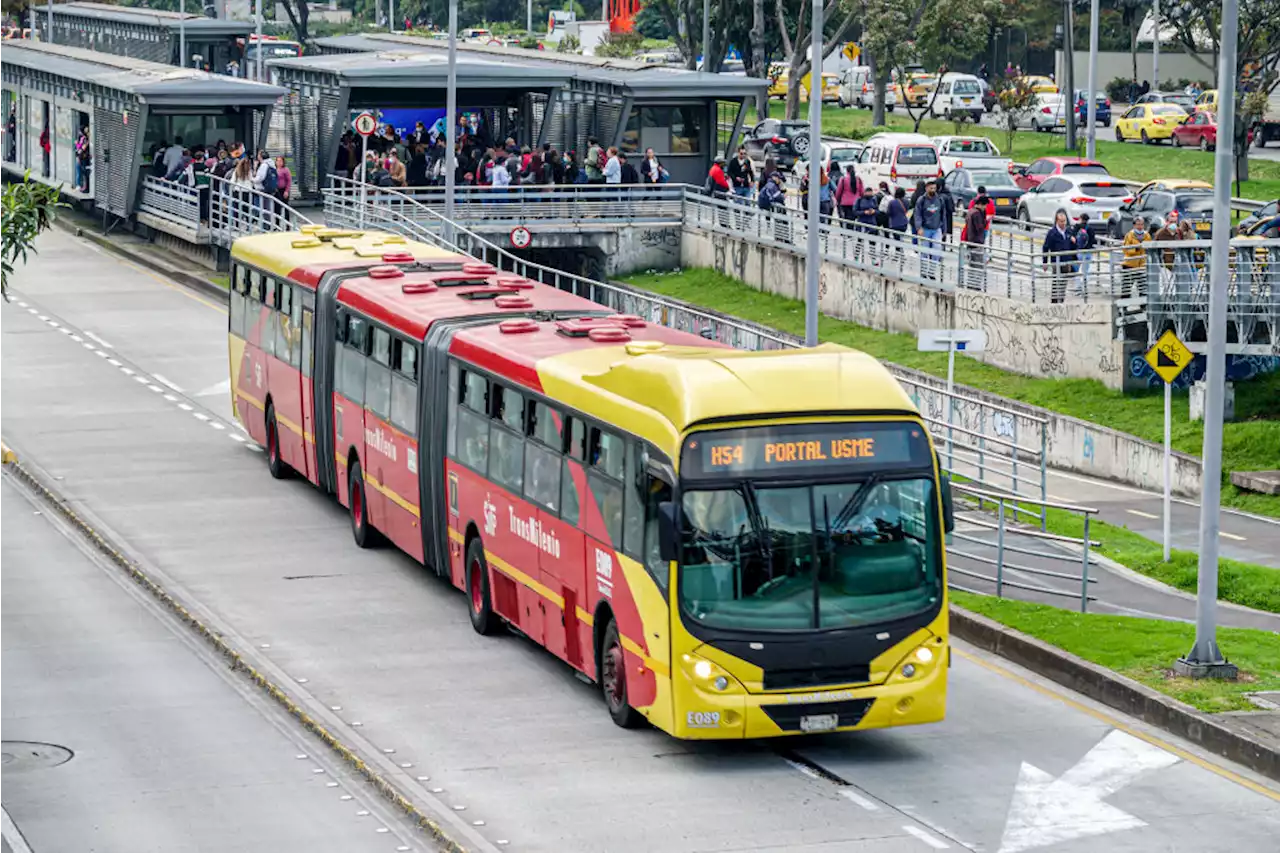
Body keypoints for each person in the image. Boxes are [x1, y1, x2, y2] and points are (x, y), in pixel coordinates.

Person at [912, 179, 945, 280]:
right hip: (925, 229)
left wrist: (944, 230)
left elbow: (943, 215)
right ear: (926, 188)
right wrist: (919, 227)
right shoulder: (921, 200)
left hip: (936, 229)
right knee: (925, 251)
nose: (933, 190)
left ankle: (931, 272)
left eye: (934, 188)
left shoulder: (940, 199)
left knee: (936, 249)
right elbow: (917, 214)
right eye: (931, 188)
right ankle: (924, 271)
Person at [1042, 209, 1075, 303]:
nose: (1063, 223)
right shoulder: (1052, 233)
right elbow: (1046, 247)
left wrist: (1074, 241)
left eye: (1064, 221)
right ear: (1057, 221)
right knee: (1057, 281)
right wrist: (1045, 262)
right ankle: (1055, 300)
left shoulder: (1068, 231)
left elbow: (1073, 247)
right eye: (1061, 221)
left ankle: (1061, 299)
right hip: (1056, 261)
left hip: (1066, 260)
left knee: (1064, 282)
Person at [1120, 215, 1151, 297]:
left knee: (1143, 287)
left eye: (1141, 224)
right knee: (1126, 287)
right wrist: (1135, 250)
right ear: (1134, 225)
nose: (1140, 226)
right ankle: (1124, 305)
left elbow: (1150, 247)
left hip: (1142, 265)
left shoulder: (1147, 235)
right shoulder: (1129, 235)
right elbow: (1125, 249)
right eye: (1138, 224)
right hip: (1130, 264)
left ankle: (1143, 305)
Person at [964, 194, 990, 290]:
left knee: (972, 265)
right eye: (985, 205)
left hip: (970, 242)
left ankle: (971, 284)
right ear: (980, 204)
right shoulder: (977, 214)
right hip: (977, 243)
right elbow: (979, 228)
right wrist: (986, 221)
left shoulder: (971, 212)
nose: (985, 207)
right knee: (979, 266)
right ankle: (976, 286)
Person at [853, 185, 880, 263]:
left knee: (872, 242)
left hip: (872, 223)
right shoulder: (859, 200)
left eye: (871, 193)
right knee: (860, 240)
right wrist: (864, 212)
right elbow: (855, 211)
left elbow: (878, 211)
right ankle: (856, 257)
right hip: (862, 222)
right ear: (864, 192)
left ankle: (873, 259)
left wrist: (874, 211)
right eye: (868, 193)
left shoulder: (874, 200)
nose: (869, 194)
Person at [1073, 214, 1097, 295]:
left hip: (1079, 251)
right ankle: (1085, 287)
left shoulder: (1076, 227)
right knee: (1085, 270)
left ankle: (1077, 288)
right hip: (1088, 252)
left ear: (1081, 218)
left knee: (1077, 270)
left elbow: (1073, 238)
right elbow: (1093, 240)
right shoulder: (1090, 229)